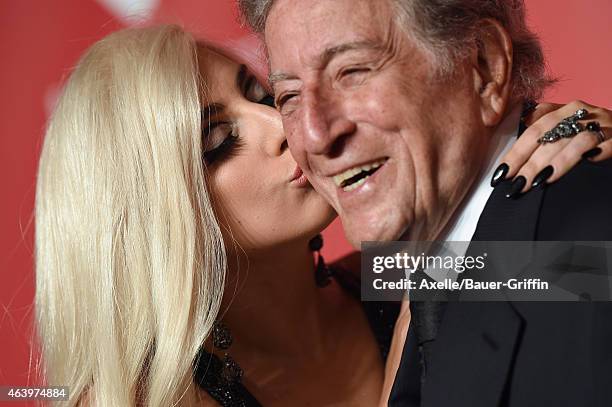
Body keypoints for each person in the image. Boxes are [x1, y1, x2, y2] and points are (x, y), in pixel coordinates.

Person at [35, 21, 610, 407]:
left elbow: (584, 271)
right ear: (149, 218)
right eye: (217, 141)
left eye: (265, 98)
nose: (288, 130)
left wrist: (579, 149)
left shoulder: (396, 275)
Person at [237, 0, 612, 406]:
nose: (312, 136)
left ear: (485, 64)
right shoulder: (408, 274)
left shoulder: (590, 248)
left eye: (352, 73)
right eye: (288, 96)